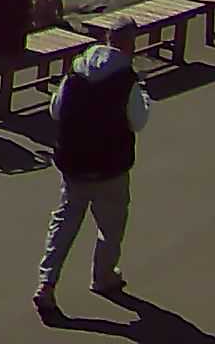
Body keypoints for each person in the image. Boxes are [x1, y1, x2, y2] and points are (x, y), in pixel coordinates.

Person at [36, 27, 150, 316]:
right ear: (129, 44)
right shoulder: (126, 79)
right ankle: (103, 276)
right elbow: (138, 121)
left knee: (65, 222)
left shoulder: (76, 72)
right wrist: (144, 96)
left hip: (74, 163)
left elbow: (56, 111)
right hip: (110, 165)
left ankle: (47, 283)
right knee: (111, 225)